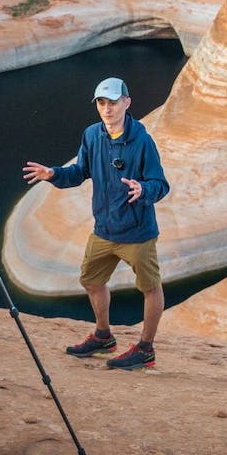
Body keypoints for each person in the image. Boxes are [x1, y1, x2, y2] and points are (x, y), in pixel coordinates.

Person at [23, 77, 170, 370]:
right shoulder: (92, 135)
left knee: (150, 287)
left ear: (127, 103)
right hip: (104, 229)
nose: (107, 108)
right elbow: (79, 172)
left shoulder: (142, 141)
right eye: (102, 103)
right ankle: (103, 336)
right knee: (91, 280)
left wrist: (144, 190)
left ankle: (145, 349)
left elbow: (160, 184)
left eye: (113, 102)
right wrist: (53, 174)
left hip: (137, 232)